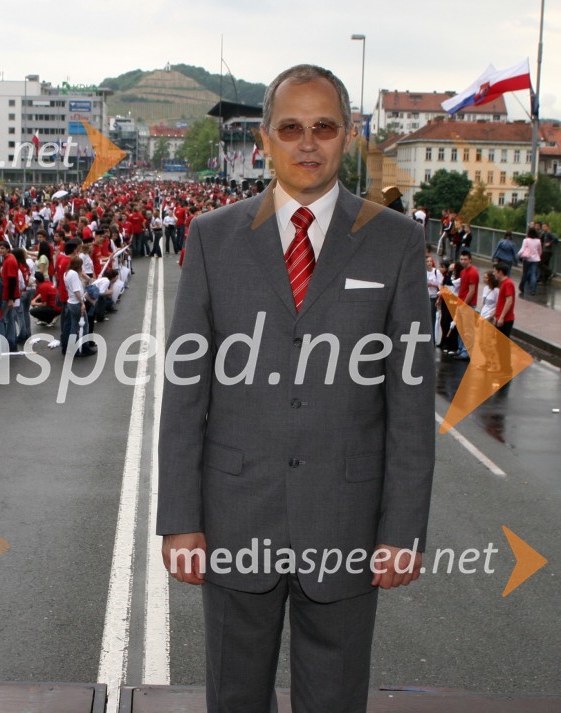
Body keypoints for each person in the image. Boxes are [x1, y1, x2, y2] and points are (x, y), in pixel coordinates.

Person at [157, 64, 434, 713]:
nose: (307, 143)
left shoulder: (395, 242)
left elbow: (411, 404)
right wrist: (179, 519)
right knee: (234, 697)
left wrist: (403, 529)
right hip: (233, 519)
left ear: (348, 135)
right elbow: (185, 390)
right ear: (265, 138)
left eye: (324, 127)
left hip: (348, 522)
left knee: (335, 700)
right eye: (291, 128)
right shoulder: (212, 237)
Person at [518, 227, 542, 296]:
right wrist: (538, 256)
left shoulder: (526, 240)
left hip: (527, 259)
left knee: (525, 273)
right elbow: (540, 251)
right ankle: (533, 290)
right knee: (533, 274)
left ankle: (522, 286)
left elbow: (522, 250)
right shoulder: (538, 241)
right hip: (535, 259)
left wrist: (519, 255)